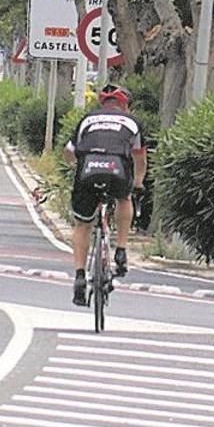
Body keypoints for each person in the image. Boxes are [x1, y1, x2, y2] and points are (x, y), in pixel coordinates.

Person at [62, 84, 147, 306]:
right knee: (124, 198)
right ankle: (120, 249)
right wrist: (138, 182)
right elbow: (139, 158)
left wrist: (76, 168)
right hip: (117, 169)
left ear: (102, 104)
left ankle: (80, 277)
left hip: (88, 169)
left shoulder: (87, 120)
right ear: (125, 105)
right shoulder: (132, 122)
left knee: (82, 224)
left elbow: (69, 151)